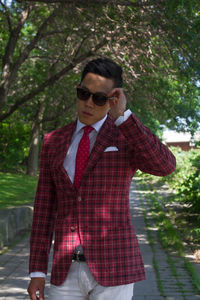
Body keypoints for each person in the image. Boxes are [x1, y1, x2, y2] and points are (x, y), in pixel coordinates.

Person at [27, 57, 176, 300]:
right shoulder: (53, 141)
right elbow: (44, 210)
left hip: (115, 268)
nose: (88, 103)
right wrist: (37, 271)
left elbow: (166, 165)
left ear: (113, 99)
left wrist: (124, 118)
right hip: (65, 271)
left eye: (99, 98)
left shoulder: (125, 135)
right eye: (83, 93)